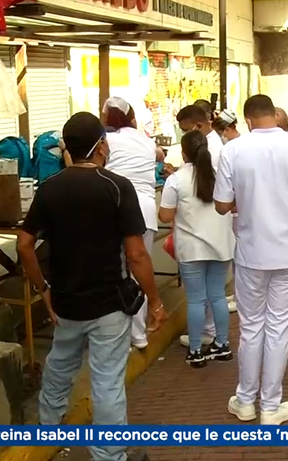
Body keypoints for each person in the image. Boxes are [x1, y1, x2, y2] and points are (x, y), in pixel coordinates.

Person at [18, 112, 166, 461]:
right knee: (107, 383)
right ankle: (109, 456)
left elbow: (24, 244)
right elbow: (136, 255)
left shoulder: (50, 188)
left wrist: (43, 290)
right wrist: (156, 301)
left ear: (67, 148)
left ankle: (48, 436)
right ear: (101, 146)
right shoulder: (117, 186)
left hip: (66, 303)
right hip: (109, 305)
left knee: (59, 367)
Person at [215, 94, 288, 426]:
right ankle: (272, 405)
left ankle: (246, 401)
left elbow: (222, 204)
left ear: (248, 119)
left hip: (251, 251)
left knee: (251, 328)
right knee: (278, 328)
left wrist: (242, 201)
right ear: (274, 116)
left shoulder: (233, 150)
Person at [159, 131, 235, 368]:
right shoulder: (220, 177)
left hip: (192, 250)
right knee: (217, 296)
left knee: (195, 300)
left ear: (183, 153)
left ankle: (195, 351)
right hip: (221, 246)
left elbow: (165, 215)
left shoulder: (176, 180)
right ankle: (222, 346)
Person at [102, 96, 164, 350]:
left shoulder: (107, 141)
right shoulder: (146, 141)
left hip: (116, 210)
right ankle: (139, 336)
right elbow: (160, 154)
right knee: (140, 272)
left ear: (106, 116)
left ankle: (120, 338)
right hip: (146, 212)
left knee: (117, 273)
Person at [175, 105, 237, 349]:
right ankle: (218, 340)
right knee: (216, 295)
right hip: (219, 237)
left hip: (197, 238)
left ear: (198, 126)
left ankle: (199, 341)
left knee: (197, 299)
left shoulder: (209, 152)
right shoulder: (220, 148)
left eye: (185, 130)